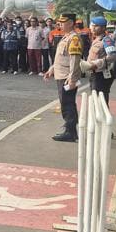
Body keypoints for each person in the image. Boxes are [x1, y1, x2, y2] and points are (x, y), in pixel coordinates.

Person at [44, 13, 85, 143]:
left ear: (71, 23)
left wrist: (72, 78)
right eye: (59, 22)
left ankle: (70, 132)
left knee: (68, 104)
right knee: (65, 103)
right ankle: (70, 130)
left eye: (63, 22)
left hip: (67, 77)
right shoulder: (66, 37)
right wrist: (52, 69)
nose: (60, 24)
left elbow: (74, 59)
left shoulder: (74, 38)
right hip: (61, 75)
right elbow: (60, 57)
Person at [85, 16, 116, 105]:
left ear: (103, 28)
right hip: (95, 74)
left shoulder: (106, 40)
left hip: (101, 75)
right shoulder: (96, 39)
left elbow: (112, 56)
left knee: (101, 101)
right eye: (92, 26)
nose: (92, 28)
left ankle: (103, 118)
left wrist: (99, 62)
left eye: (95, 26)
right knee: (96, 100)